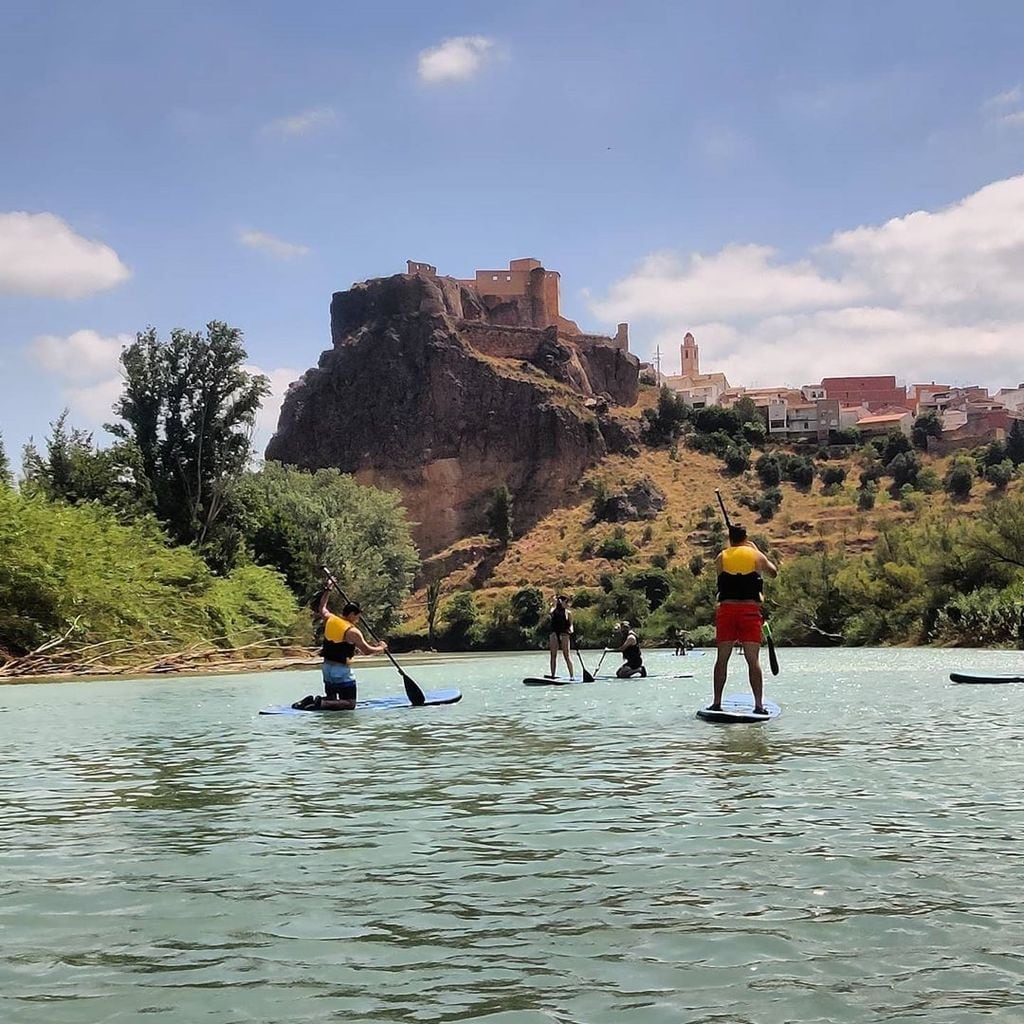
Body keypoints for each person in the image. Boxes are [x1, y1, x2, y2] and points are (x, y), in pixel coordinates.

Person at [709, 523, 778, 715]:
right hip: (749, 611)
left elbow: (722, 578)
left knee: (722, 659)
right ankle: (758, 705)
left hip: (727, 610)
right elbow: (773, 573)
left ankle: (716, 703)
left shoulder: (721, 557)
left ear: (730, 538)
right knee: (752, 660)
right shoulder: (756, 555)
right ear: (746, 538)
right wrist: (757, 551)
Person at [292, 590, 388, 710]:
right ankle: (320, 703)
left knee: (332, 698)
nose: (358, 618)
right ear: (352, 614)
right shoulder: (352, 631)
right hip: (341, 671)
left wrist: (328, 590)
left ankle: (312, 701)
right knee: (350, 703)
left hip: (326, 668)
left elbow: (322, 607)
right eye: (358, 615)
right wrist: (381, 648)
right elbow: (366, 650)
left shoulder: (331, 619)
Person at [546, 594, 575, 679]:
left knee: (567, 655)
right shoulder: (554, 610)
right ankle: (553, 675)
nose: (567, 604)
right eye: (566, 602)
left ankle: (571, 675)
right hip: (555, 633)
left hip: (564, 633)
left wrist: (571, 630)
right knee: (553, 655)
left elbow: (571, 624)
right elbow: (550, 612)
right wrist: (554, 603)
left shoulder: (568, 613)